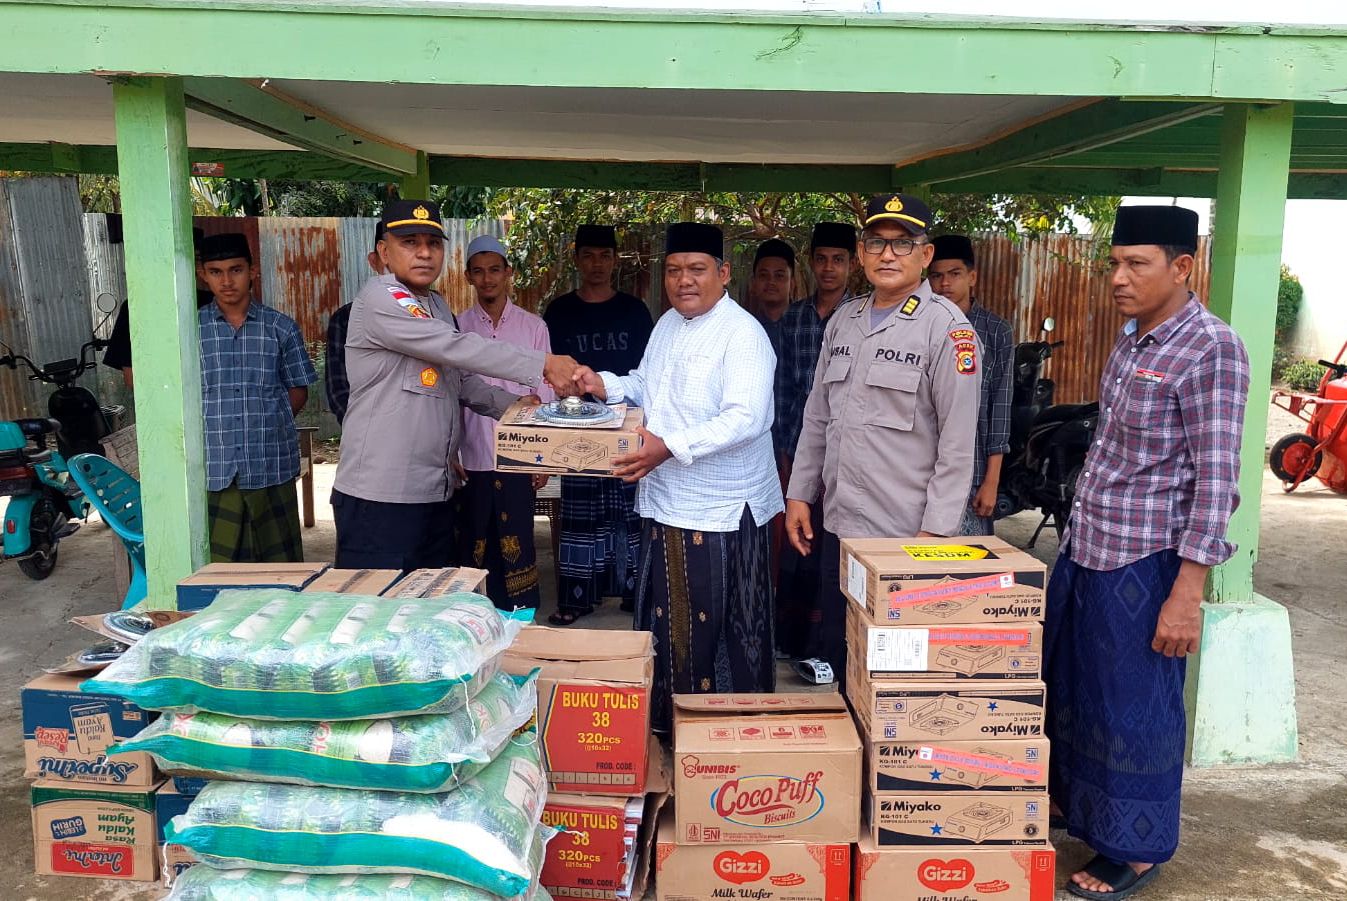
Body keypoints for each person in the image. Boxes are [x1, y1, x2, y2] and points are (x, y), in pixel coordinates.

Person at [1047, 206, 1249, 901]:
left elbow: (1217, 479)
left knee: (1134, 708)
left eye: (1137, 264)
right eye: (1114, 263)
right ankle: (1087, 815)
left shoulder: (1210, 348)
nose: (1118, 277)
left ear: (1182, 266)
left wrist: (1187, 592)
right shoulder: (1133, 338)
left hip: (1148, 560)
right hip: (1089, 546)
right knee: (1079, 692)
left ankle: (1134, 847)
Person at [575, 222, 782, 732]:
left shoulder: (743, 334)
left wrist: (668, 446)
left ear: (723, 273)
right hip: (668, 498)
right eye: (673, 270)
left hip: (723, 511)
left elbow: (746, 418)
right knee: (670, 623)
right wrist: (603, 384)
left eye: (696, 269)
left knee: (723, 630)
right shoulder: (668, 323)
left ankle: (727, 736)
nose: (683, 280)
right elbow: (648, 383)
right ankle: (671, 730)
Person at [784, 194, 980, 686]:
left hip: (905, 535)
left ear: (926, 255)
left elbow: (958, 444)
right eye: (876, 243)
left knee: (893, 672)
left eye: (902, 244)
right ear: (862, 252)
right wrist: (799, 494)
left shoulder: (947, 330)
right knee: (840, 654)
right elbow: (817, 417)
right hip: (841, 525)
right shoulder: (844, 321)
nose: (888, 254)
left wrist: (935, 535)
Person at [331, 200, 582, 572]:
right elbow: (454, 346)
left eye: (433, 243)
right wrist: (541, 363)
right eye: (410, 242)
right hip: (381, 497)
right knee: (381, 603)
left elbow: (459, 380)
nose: (424, 253)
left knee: (431, 598)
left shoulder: (436, 306)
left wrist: (515, 407)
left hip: (434, 492)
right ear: (384, 252)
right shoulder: (382, 297)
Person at [542, 224, 654, 624]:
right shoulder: (559, 312)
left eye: (605, 256)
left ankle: (633, 595)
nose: (597, 264)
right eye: (588, 256)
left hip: (626, 428)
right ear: (577, 260)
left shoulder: (635, 311)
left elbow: (648, 375)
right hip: (576, 428)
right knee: (581, 517)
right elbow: (549, 374)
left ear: (615, 260)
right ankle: (576, 599)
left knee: (630, 515)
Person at [196, 233, 317, 563]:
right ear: (203, 275)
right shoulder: (190, 330)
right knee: (217, 572)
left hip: (270, 464)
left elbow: (298, 388)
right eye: (216, 272)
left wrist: (269, 423)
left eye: (235, 270)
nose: (226, 281)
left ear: (252, 271)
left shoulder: (281, 328)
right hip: (214, 467)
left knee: (279, 569)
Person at [453, 235, 554, 610]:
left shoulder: (533, 327)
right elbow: (450, 393)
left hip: (520, 458)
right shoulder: (456, 328)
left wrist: (542, 459)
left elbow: (546, 395)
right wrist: (451, 451)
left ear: (508, 272)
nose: (488, 279)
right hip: (472, 457)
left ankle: (521, 622)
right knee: (473, 542)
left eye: (495, 270)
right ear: (468, 276)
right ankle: (473, 619)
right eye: (479, 271)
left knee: (518, 543)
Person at [772, 221, 855, 660]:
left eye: (838, 260)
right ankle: (796, 640)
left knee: (834, 545)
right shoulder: (795, 318)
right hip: (799, 450)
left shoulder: (860, 317)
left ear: (852, 264)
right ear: (811, 262)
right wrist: (789, 451)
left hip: (845, 455)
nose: (828, 268)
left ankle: (831, 644)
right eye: (821, 259)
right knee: (799, 544)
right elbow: (784, 389)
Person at [928, 234, 1013, 535]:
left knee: (969, 558)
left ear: (972, 277)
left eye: (955, 274)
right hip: (921, 471)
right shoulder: (920, 327)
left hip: (973, 473)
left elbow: (999, 408)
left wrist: (992, 481)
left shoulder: (996, 331)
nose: (945, 284)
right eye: (936, 276)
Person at [102, 227, 212, 388]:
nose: (178, 265)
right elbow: (132, 379)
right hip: (162, 399)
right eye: (169, 258)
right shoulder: (136, 309)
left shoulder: (214, 304)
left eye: (190, 258)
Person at [325, 222, 387, 425]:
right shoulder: (346, 319)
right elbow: (338, 391)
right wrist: (364, 433)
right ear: (375, 260)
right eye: (389, 255)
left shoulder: (438, 316)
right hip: (368, 436)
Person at [749, 237, 796, 360]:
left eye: (779, 276)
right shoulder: (745, 327)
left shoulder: (807, 325)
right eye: (764, 275)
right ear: (753, 283)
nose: (771, 282)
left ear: (792, 283)